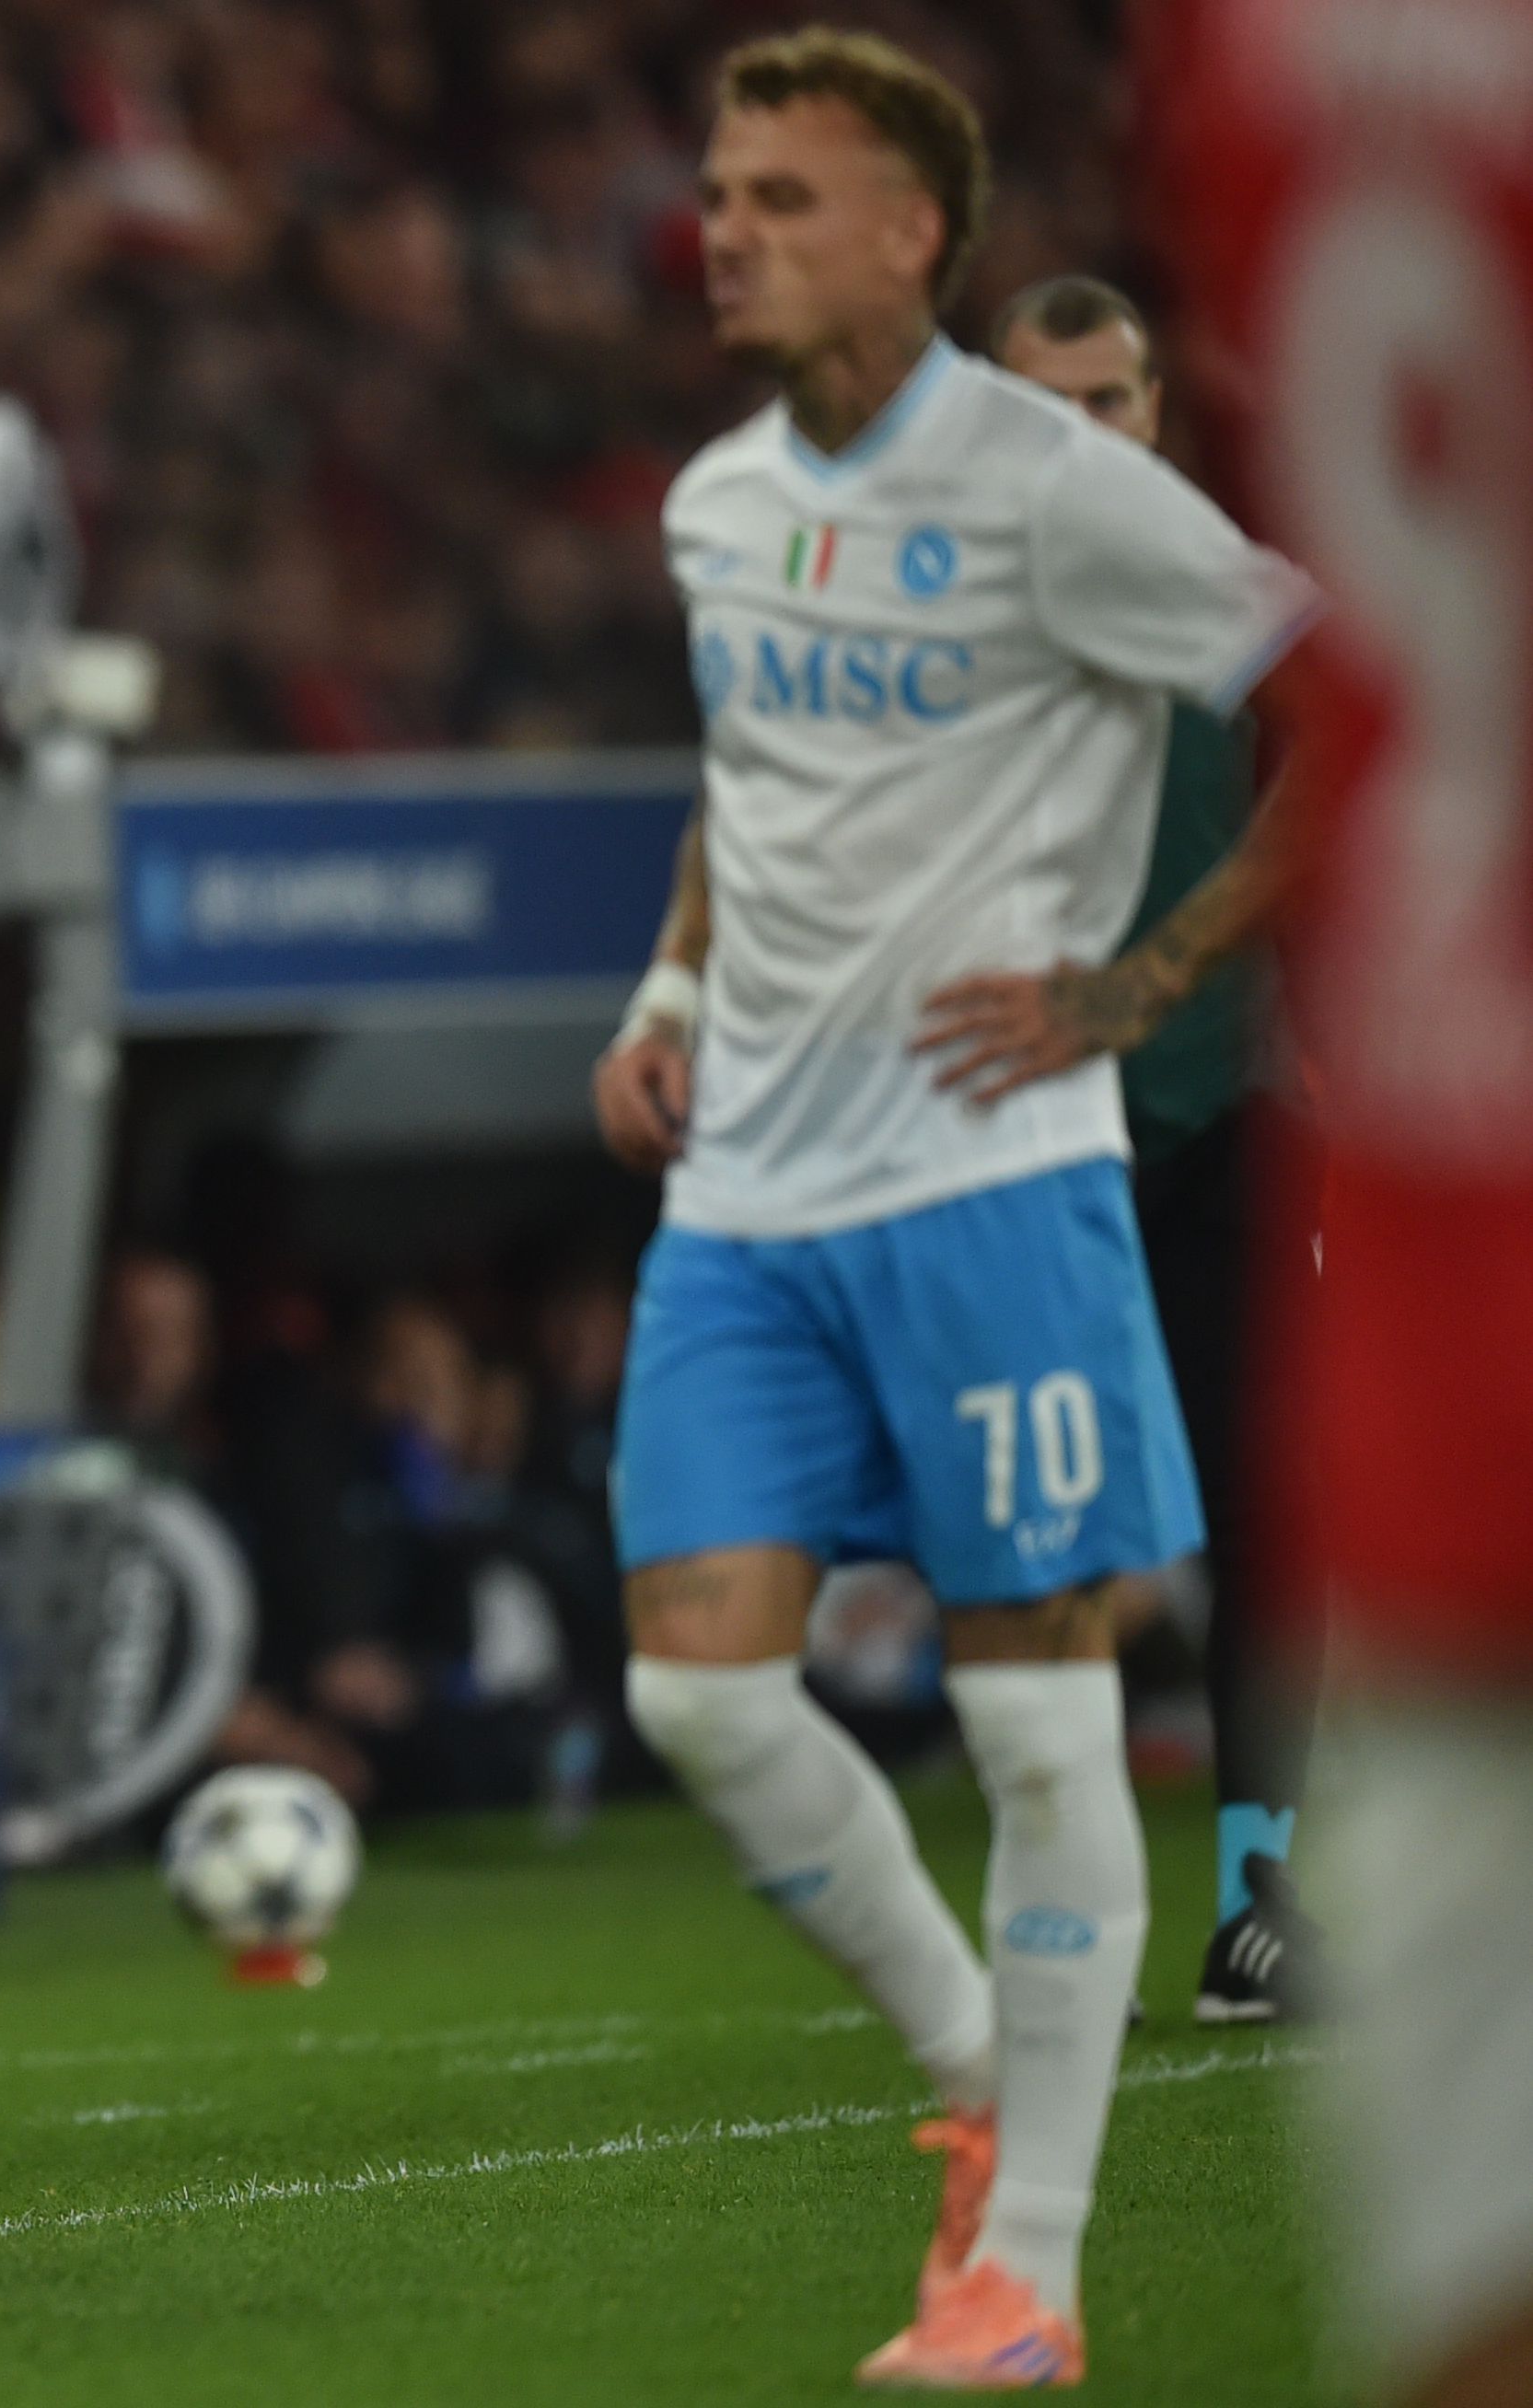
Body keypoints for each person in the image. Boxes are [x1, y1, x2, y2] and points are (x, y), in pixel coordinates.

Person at [589, 30, 1315, 2386]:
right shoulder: (717, 502)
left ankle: (1034, 2274)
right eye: (721, 191)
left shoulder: (1058, 489)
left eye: (783, 196)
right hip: (750, 1187)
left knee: (1037, 1719)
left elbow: (1352, 693)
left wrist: (1151, 975)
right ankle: (983, 2068)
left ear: (915, 232)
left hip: (994, 1176)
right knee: (695, 1689)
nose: (727, 230)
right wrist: (669, 983)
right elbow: (751, 771)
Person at [1156, 15, 1533, 2400]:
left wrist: (1200, 964)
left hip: (1400, 1206)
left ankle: (1246, 1900)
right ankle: (1242, 1897)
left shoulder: (1255, 67)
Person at [981, 273, 1316, 2023]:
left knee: (1270, 1517)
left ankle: (1260, 1900)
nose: (1081, 438)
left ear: (1158, 415)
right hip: (1027, 1130)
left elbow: (1347, 742)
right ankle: (1059, 1905)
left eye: (1108, 402)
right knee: (1042, 1532)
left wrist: (1178, 966)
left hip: (1225, 1103)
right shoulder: (944, 609)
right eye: (1043, 408)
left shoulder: (1220, 590)